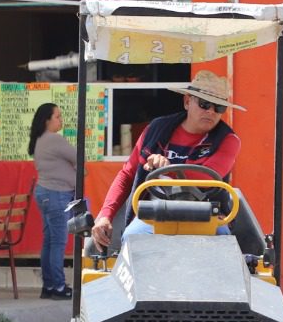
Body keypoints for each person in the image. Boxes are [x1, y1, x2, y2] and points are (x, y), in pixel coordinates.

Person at [90, 69, 242, 250]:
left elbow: (208, 178)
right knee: (132, 238)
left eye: (219, 107)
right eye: (204, 104)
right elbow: (127, 174)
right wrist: (105, 215)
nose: (210, 112)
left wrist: (167, 167)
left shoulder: (228, 140)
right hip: (155, 212)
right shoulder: (155, 129)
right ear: (187, 101)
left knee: (224, 243)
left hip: (207, 214)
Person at [30, 102, 77, 299]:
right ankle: (58, 286)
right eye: (57, 116)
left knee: (49, 241)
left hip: (46, 192)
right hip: (57, 194)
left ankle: (48, 285)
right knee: (58, 242)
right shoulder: (54, 140)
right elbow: (77, 156)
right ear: (47, 120)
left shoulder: (40, 139)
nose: (61, 120)